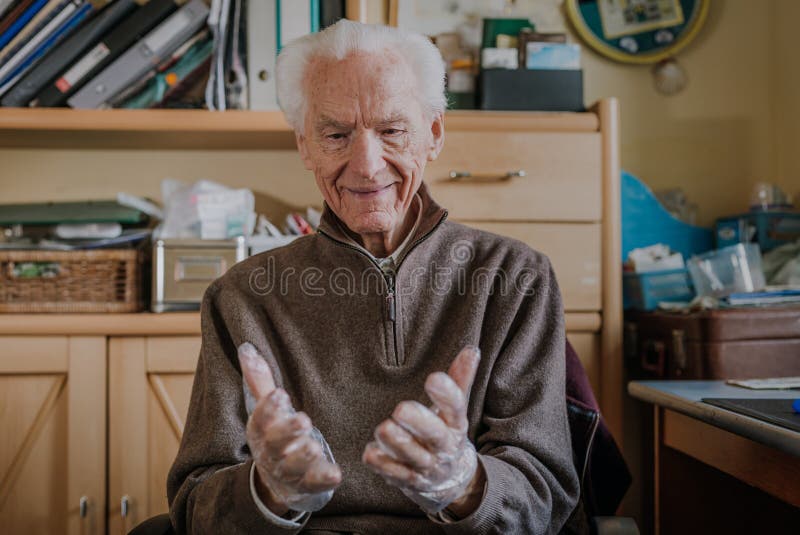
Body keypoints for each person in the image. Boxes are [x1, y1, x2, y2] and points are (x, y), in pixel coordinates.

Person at [168, 19, 579, 534]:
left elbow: (545, 497)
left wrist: (464, 482)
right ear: (305, 146)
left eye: (391, 131)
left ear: (433, 134)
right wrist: (266, 492)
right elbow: (195, 506)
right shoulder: (242, 296)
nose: (366, 165)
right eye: (336, 134)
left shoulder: (516, 278)